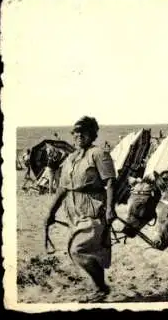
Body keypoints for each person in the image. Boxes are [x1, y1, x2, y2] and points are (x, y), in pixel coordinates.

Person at [44, 116, 117, 303]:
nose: (78, 136)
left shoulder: (99, 154)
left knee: (77, 250)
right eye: (75, 133)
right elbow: (62, 188)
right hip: (74, 212)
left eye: (83, 133)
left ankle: (101, 287)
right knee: (87, 251)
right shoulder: (70, 158)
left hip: (94, 208)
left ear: (91, 135)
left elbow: (110, 181)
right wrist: (51, 212)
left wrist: (110, 208)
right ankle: (100, 290)